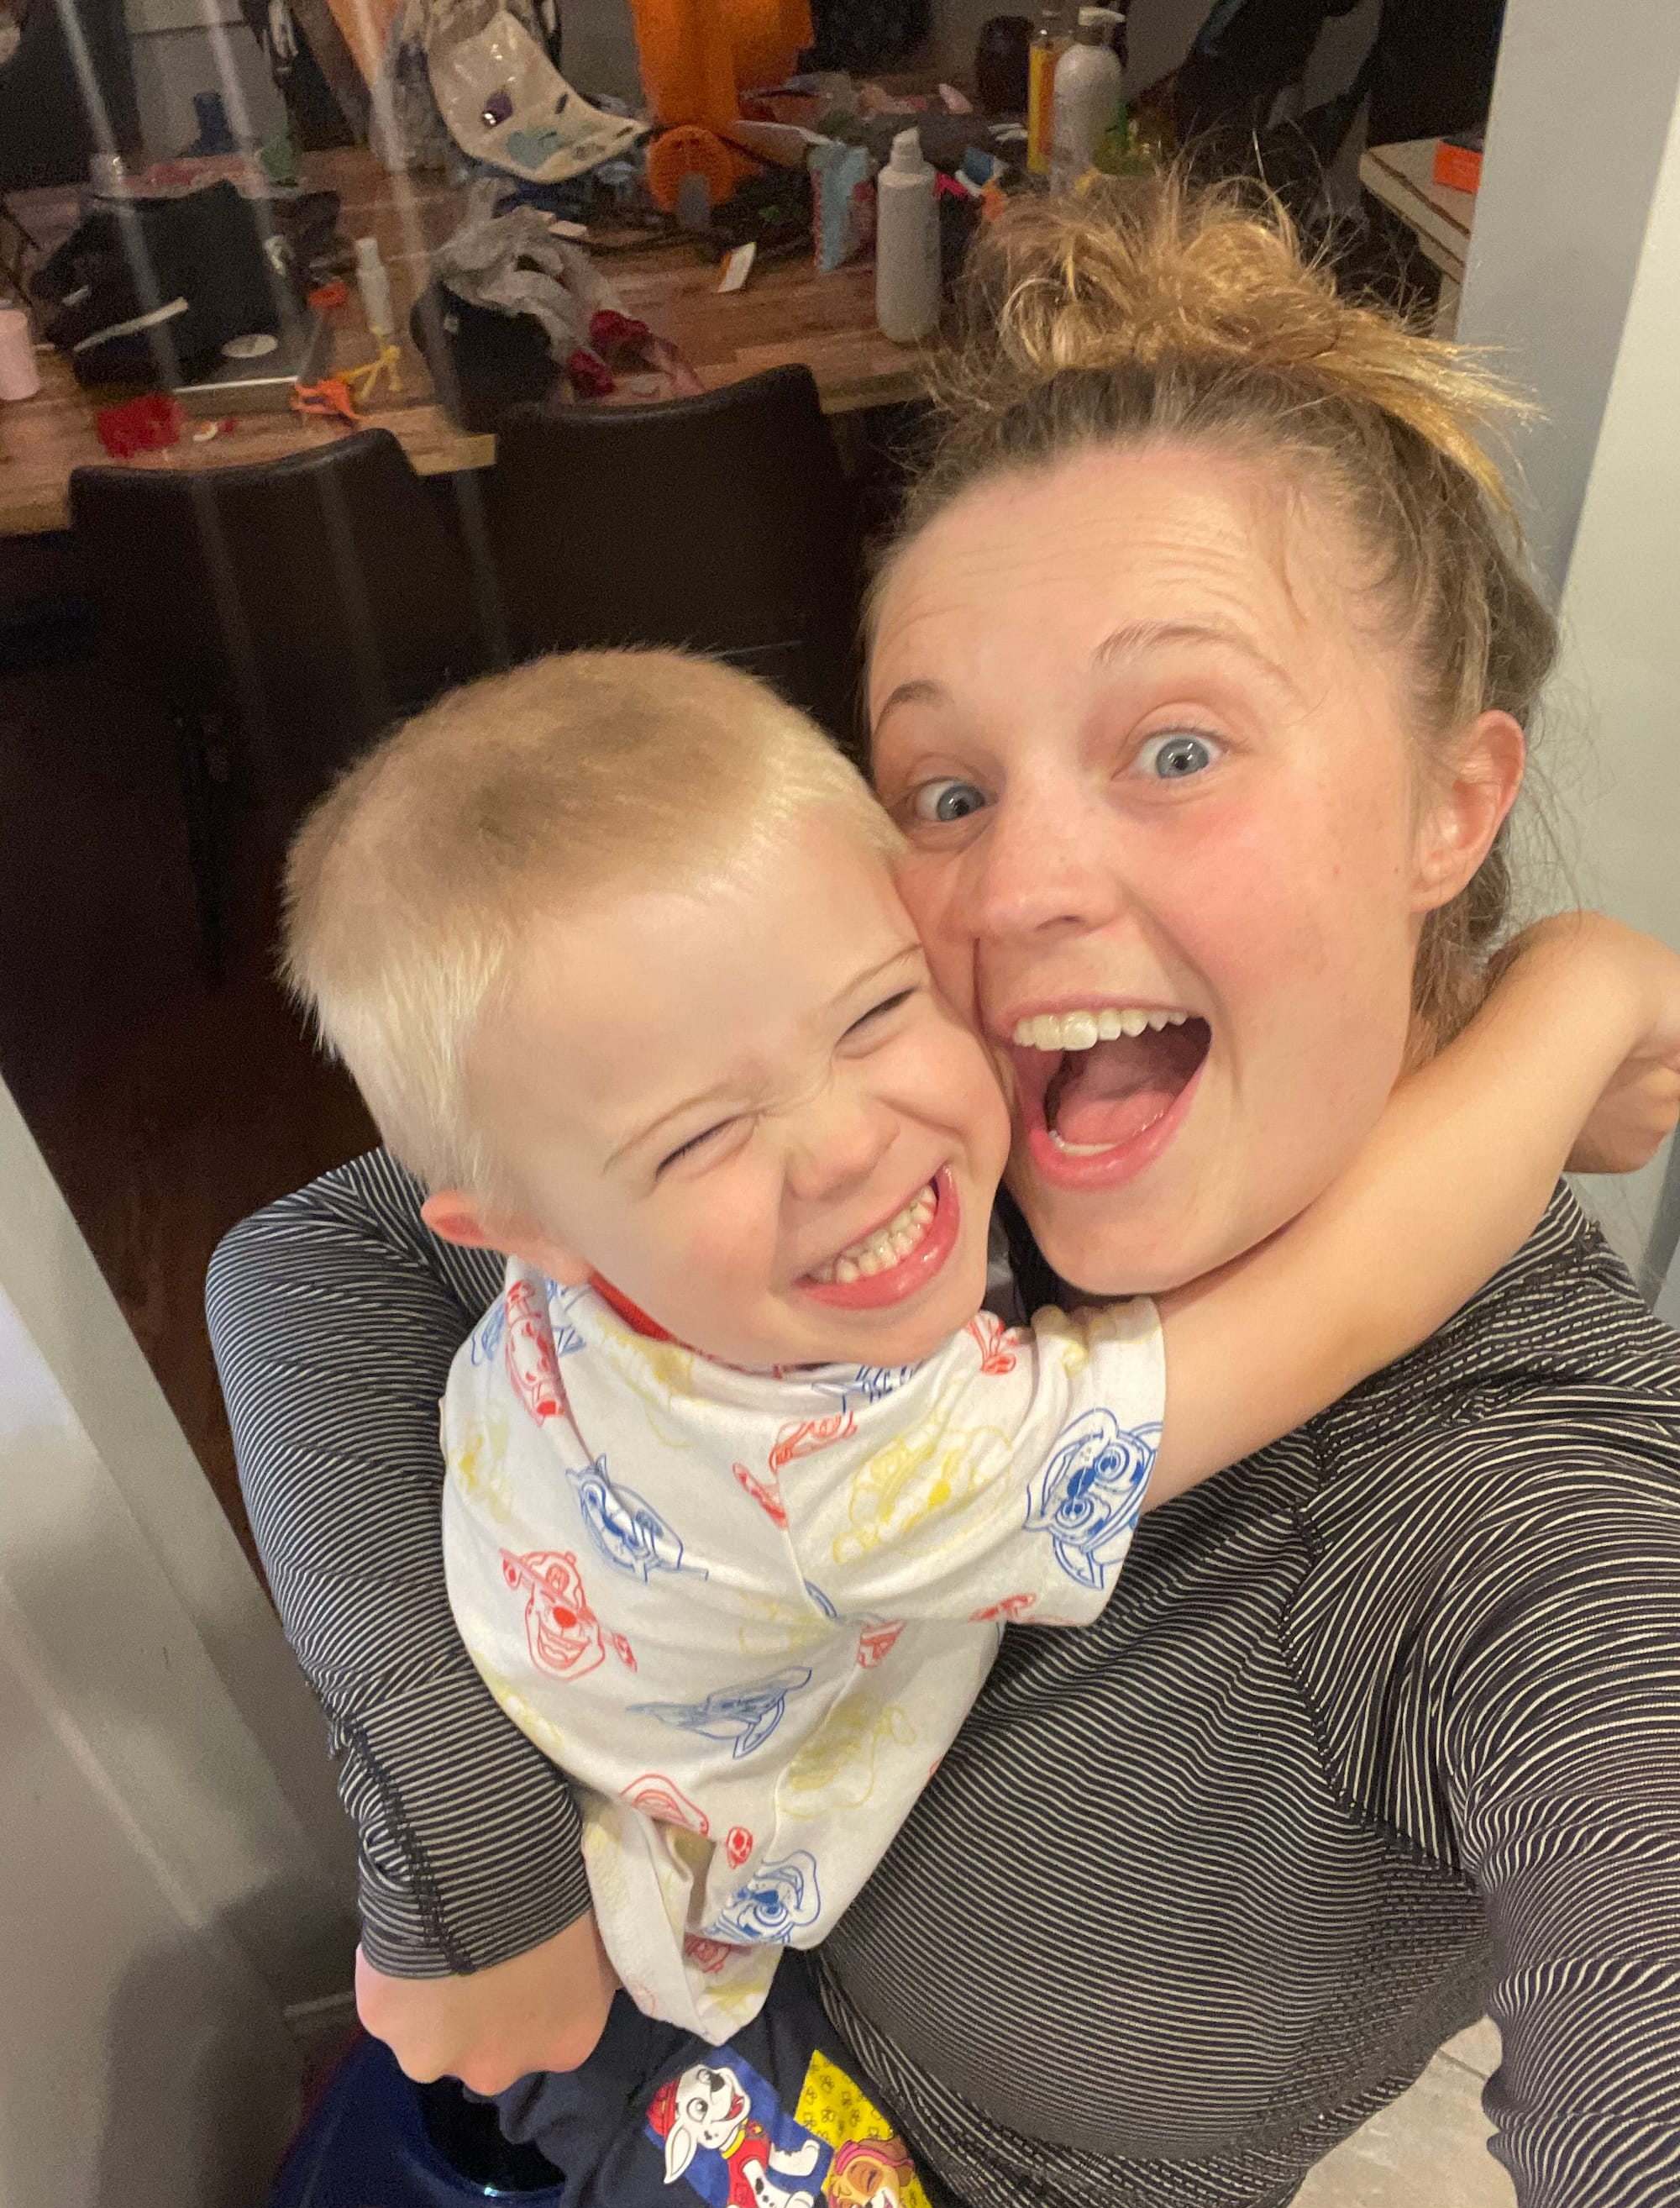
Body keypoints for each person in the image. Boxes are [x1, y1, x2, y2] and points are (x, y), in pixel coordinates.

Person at [208, 175, 1680, 2208]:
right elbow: (323, 1257)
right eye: (951, 793)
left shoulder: (1528, 1508)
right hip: (653, 2028)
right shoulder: (904, 1128)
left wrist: (1577, 993)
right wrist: (461, 1842)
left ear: (1455, 800)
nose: (1014, 895)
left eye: (1179, 746)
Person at [282, 641, 1670, 2078]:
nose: (848, 1144)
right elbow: (1341, 1304)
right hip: (665, 1905)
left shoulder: (606, 1219)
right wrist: (1585, 995)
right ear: (529, 1233)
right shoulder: (849, 1469)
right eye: (698, 1139)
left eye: (880, 1010)